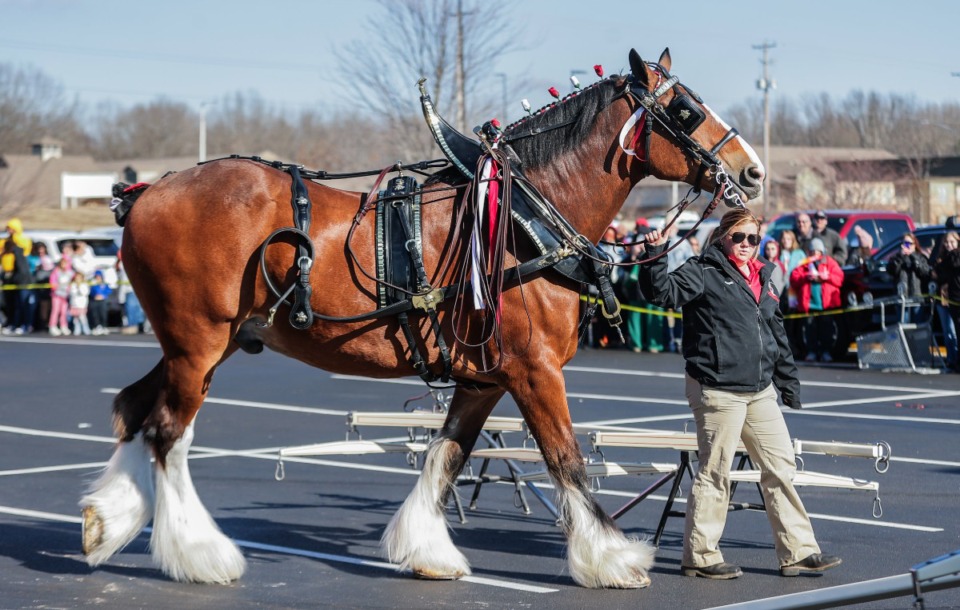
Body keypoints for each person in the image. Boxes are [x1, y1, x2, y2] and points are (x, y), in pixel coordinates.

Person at [639, 208, 841, 580]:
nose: (746, 244)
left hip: (760, 389)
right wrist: (656, 254)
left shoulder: (764, 276)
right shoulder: (702, 270)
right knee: (716, 472)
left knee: (780, 467)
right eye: (739, 237)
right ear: (722, 237)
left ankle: (798, 552)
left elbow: (775, 332)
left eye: (753, 238)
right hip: (717, 386)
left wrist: (788, 383)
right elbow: (660, 293)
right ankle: (699, 556)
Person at [789, 238, 844, 362]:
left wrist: (827, 276)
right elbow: (794, 279)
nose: (815, 254)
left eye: (818, 251)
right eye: (812, 251)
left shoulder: (830, 262)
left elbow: (839, 279)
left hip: (826, 304)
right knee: (809, 329)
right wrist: (805, 277)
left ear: (822, 252)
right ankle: (811, 351)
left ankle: (826, 352)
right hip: (809, 304)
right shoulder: (803, 263)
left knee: (827, 329)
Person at [887, 232, 931, 323]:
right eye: (904, 243)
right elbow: (892, 271)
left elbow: (925, 272)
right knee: (903, 325)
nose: (906, 246)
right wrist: (900, 257)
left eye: (909, 244)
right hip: (902, 298)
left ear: (915, 245)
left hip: (917, 297)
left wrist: (913, 256)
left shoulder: (920, 257)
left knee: (917, 326)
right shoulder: (896, 258)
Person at [932, 231, 960, 371]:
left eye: (952, 242)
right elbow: (935, 273)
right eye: (946, 242)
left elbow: (954, 266)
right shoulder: (940, 258)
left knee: (955, 331)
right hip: (943, 298)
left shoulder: (955, 257)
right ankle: (951, 359)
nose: (949, 245)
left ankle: (956, 359)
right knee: (948, 331)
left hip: (956, 299)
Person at [1, 238, 34, 334]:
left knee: (23, 305)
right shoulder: (13, 254)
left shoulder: (17, 254)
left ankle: (25, 325)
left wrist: (13, 278)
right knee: (15, 305)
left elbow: (22, 271)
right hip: (16, 284)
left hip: (22, 284)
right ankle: (14, 324)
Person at [49, 257, 74, 336]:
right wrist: (56, 288)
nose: (64, 265)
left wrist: (68, 290)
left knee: (64, 312)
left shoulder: (69, 273)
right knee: (55, 311)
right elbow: (52, 283)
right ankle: (53, 326)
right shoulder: (56, 272)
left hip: (65, 295)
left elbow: (72, 281)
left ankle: (64, 326)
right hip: (56, 295)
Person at [88, 270, 112, 335]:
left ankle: (104, 326)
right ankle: (97, 326)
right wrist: (95, 295)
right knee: (95, 314)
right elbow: (91, 292)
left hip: (102, 301)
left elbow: (108, 291)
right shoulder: (93, 284)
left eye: (99, 276)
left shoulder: (104, 284)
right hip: (95, 301)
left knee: (103, 314)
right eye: (97, 276)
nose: (98, 278)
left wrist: (103, 296)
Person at [69, 270, 92, 335]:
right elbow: (72, 293)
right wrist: (76, 287)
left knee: (82, 317)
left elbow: (85, 293)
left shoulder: (84, 285)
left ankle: (85, 328)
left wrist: (79, 287)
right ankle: (77, 328)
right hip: (74, 304)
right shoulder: (73, 285)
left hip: (82, 304)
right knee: (75, 318)